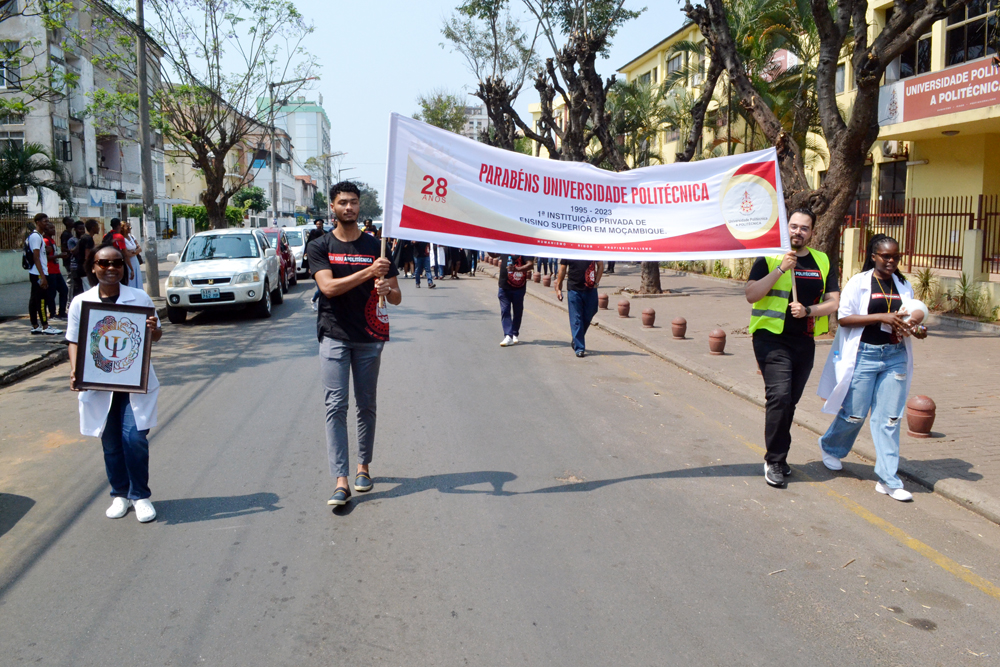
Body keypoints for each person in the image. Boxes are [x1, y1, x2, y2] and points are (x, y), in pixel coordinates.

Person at [309, 182, 401, 507]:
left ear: (360, 207)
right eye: (342, 203)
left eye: (354, 203)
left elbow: (397, 295)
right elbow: (329, 288)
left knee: (366, 405)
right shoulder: (320, 245)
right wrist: (367, 273)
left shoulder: (377, 246)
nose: (349, 208)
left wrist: (386, 290)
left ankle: (363, 467)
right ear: (332, 207)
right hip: (334, 334)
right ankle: (341, 480)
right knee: (335, 406)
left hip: (369, 337)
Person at [817, 234, 927, 502]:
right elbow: (844, 318)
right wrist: (880, 316)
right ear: (874, 255)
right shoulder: (860, 282)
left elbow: (911, 316)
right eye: (886, 256)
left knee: (889, 419)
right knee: (854, 414)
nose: (891, 261)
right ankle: (830, 446)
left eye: (895, 257)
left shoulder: (903, 285)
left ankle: (888, 480)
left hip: (895, 355)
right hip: (864, 355)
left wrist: (918, 328)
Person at [67, 243, 162, 523]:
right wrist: (75, 371)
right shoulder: (81, 302)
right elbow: (74, 340)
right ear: (93, 267)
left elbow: (155, 337)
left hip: (134, 384)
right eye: (104, 263)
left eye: (117, 263)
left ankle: (140, 496)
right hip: (98, 385)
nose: (111, 269)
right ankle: (119, 494)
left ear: (124, 266)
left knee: (134, 439)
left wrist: (154, 329)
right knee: (110, 443)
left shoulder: (139, 298)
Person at [745, 208, 840, 489]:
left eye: (804, 228)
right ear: (786, 228)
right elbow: (752, 295)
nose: (797, 232)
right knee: (779, 396)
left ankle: (780, 456)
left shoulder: (821, 260)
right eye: (793, 226)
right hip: (770, 338)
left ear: (812, 232)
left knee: (791, 402)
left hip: (804, 341)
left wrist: (809, 309)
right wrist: (780, 269)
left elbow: (833, 301)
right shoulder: (770, 255)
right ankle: (774, 459)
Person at [554, 258, 603, 357]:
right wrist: (558, 288)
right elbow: (562, 269)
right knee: (576, 318)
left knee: (590, 313)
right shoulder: (568, 250)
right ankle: (579, 348)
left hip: (590, 289)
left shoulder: (592, 248)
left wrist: (596, 283)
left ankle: (576, 338)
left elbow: (601, 265)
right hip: (574, 289)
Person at [26, 214, 61, 335]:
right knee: (41, 300)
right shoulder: (36, 237)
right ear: (38, 222)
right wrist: (43, 276)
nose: (47, 223)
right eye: (44, 221)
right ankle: (45, 326)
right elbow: (36, 257)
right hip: (38, 273)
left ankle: (35, 325)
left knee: (34, 299)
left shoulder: (38, 236)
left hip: (37, 272)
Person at [489, 252, 533, 347]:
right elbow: (494, 254)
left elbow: (530, 264)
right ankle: (508, 335)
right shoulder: (505, 245)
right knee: (505, 310)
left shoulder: (523, 247)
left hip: (519, 286)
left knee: (517, 311)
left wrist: (516, 269)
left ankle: (514, 332)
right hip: (504, 285)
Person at [42, 220, 69, 319]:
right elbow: (45, 257)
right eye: (51, 228)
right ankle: (52, 313)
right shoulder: (45, 241)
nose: (53, 230)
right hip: (50, 271)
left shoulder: (52, 240)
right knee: (51, 293)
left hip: (56, 271)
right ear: (45, 230)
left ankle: (62, 312)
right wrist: (59, 256)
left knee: (64, 290)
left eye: (53, 228)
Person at [306, 219, 327, 311]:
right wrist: (309, 267)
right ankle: (314, 300)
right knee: (321, 289)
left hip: (327, 267)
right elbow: (308, 256)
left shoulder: (327, 235)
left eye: (320, 224)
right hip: (316, 268)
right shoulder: (312, 242)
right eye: (317, 224)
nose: (319, 225)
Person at [75, 220, 99, 291]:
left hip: (81, 268)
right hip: (85, 270)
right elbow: (87, 256)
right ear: (92, 228)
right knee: (88, 289)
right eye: (97, 227)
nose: (98, 229)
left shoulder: (84, 237)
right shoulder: (88, 239)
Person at [121, 220, 144, 290]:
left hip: (135, 261)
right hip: (128, 262)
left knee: (137, 278)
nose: (129, 229)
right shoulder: (122, 239)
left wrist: (134, 252)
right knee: (130, 279)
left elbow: (139, 248)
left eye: (130, 227)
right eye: (127, 227)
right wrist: (132, 252)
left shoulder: (132, 237)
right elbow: (126, 254)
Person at [67, 220, 86, 301]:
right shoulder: (72, 240)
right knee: (76, 287)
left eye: (83, 229)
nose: (82, 231)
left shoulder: (86, 239)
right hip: (75, 267)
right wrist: (80, 242)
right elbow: (73, 252)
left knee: (83, 287)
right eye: (80, 229)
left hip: (83, 266)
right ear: (75, 230)